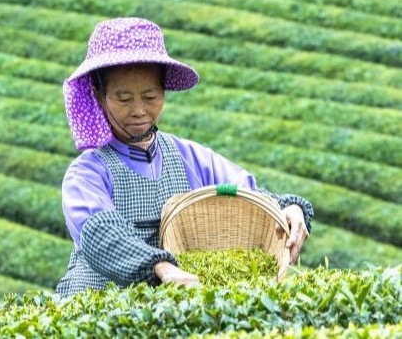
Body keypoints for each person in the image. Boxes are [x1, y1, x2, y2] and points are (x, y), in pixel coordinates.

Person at [55, 17, 313, 296]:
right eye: (124, 99)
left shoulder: (187, 156)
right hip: (95, 304)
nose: (139, 110)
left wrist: (288, 208)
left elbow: (246, 193)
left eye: (150, 97)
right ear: (99, 95)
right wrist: (161, 267)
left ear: (164, 92)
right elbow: (101, 233)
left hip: (171, 306)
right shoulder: (88, 173)